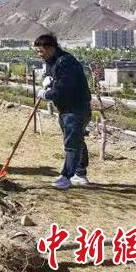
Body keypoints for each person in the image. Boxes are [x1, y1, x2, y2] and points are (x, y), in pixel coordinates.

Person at [34, 34, 92, 190]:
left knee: (72, 144)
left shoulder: (66, 63)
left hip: (75, 109)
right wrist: (49, 80)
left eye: (41, 51)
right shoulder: (55, 62)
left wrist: (47, 94)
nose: (39, 55)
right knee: (77, 140)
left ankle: (66, 177)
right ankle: (80, 174)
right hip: (68, 109)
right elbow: (57, 81)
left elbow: (63, 90)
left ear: (51, 48)